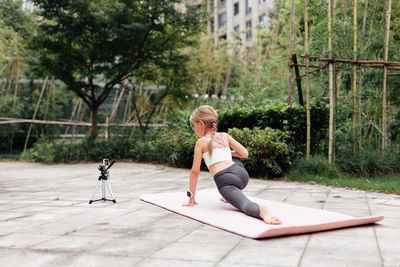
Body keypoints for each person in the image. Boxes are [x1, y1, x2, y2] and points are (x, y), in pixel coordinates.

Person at [183, 105, 281, 225]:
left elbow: (195, 171)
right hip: (242, 174)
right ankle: (230, 195)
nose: (194, 129)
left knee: (244, 204)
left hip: (227, 180)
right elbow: (244, 154)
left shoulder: (201, 142)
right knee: (233, 156)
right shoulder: (225, 136)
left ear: (201, 123)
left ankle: (261, 212)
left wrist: (191, 196)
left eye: (194, 125)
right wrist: (226, 153)